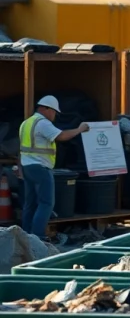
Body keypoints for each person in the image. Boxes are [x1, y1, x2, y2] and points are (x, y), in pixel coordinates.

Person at [19, 96, 89, 239]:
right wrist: (79, 129)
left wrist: (20, 169)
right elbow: (61, 136)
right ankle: (38, 238)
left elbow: (21, 149)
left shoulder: (26, 123)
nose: (54, 115)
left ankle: (25, 236)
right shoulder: (42, 123)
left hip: (27, 167)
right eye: (54, 112)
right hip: (40, 168)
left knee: (30, 204)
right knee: (46, 203)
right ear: (46, 109)